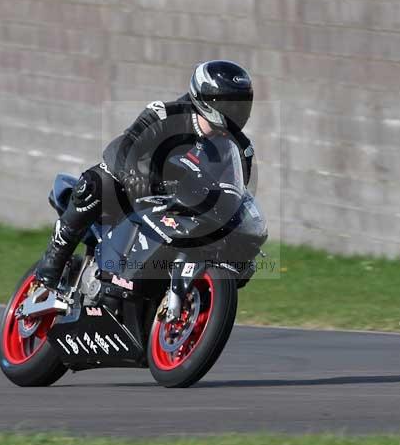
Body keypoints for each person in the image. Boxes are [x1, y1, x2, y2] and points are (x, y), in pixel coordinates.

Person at [35, 60, 256, 290]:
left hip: (184, 204)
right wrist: (132, 176)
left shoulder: (241, 149)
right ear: (207, 99)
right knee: (95, 184)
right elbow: (122, 148)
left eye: (241, 105)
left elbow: (235, 193)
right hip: (138, 187)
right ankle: (49, 269)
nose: (237, 112)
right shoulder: (164, 114)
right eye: (231, 104)